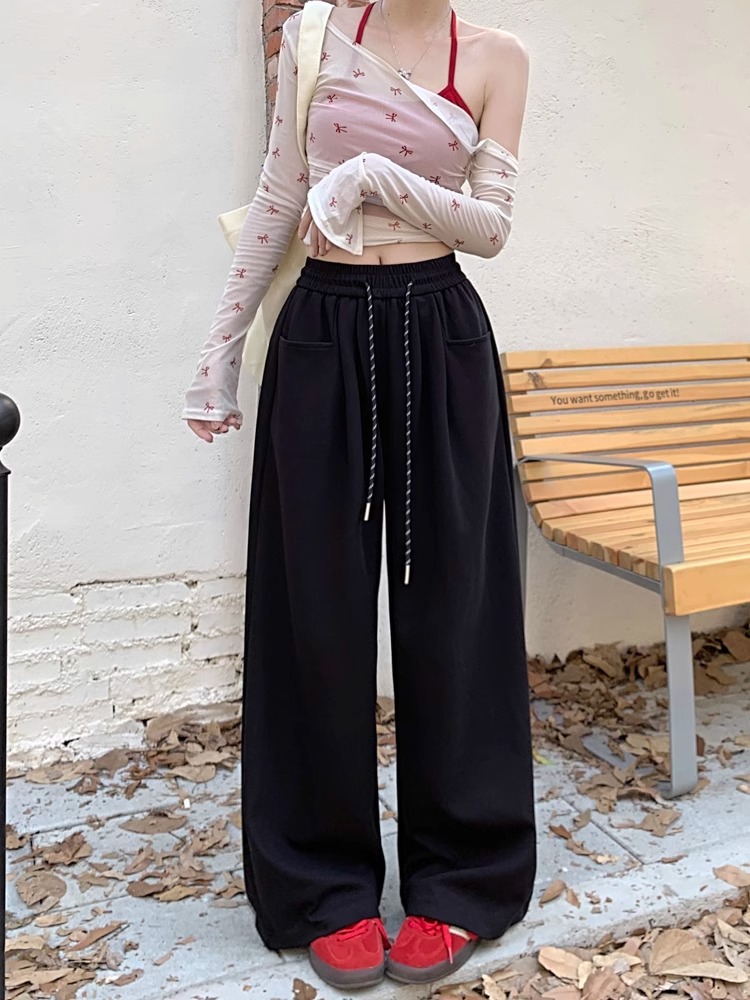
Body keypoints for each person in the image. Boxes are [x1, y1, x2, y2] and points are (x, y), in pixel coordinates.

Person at [182, 0, 535, 989]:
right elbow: (278, 195)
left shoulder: (497, 57)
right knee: (314, 615)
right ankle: (320, 885)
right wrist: (217, 352)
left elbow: (492, 229)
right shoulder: (313, 38)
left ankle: (462, 875)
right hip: (322, 334)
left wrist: (378, 178)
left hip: (440, 336)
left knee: (456, 613)